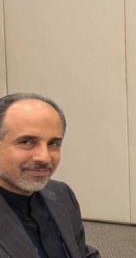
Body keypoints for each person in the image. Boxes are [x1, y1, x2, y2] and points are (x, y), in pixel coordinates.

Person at [0, 92, 100, 258]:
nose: (44, 157)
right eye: (26, 142)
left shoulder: (61, 194)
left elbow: (82, 253)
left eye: (53, 143)